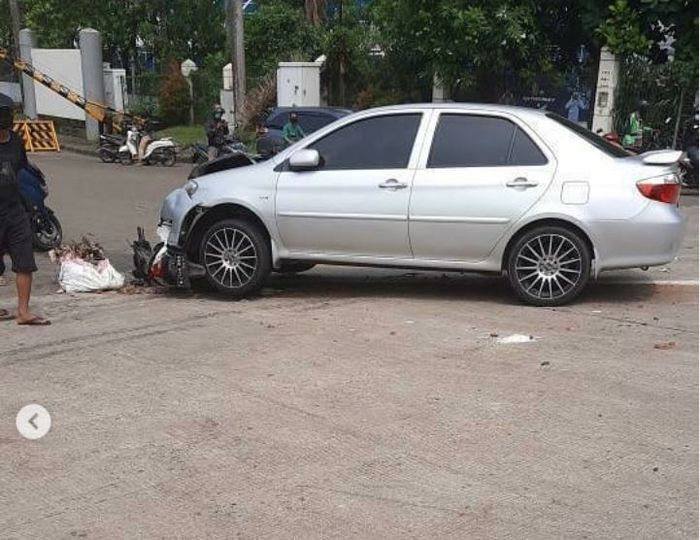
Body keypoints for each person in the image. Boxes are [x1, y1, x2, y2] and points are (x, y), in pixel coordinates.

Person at [0, 93, 49, 325]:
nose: (4, 118)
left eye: (7, 113)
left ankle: (23, 312)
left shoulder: (16, 142)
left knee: (24, 259)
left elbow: (20, 168)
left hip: (14, 209)